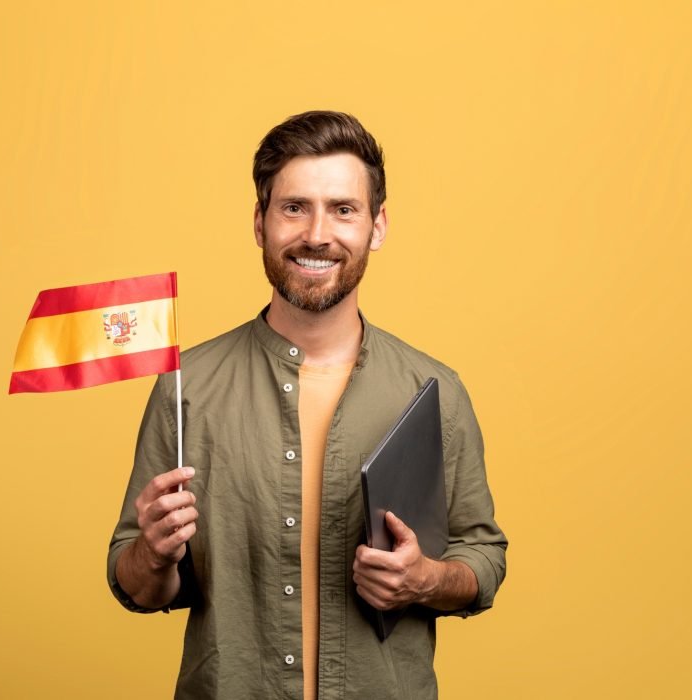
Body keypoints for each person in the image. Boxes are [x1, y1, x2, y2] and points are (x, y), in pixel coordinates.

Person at [107, 110, 507, 699]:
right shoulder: (186, 388)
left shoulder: (435, 391)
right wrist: (155, 553)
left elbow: (484, 558)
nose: (317, 233)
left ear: (377, 225)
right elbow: (136, 584)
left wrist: (426, 578)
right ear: (260, 223)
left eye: (343, 209)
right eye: (294, 207)